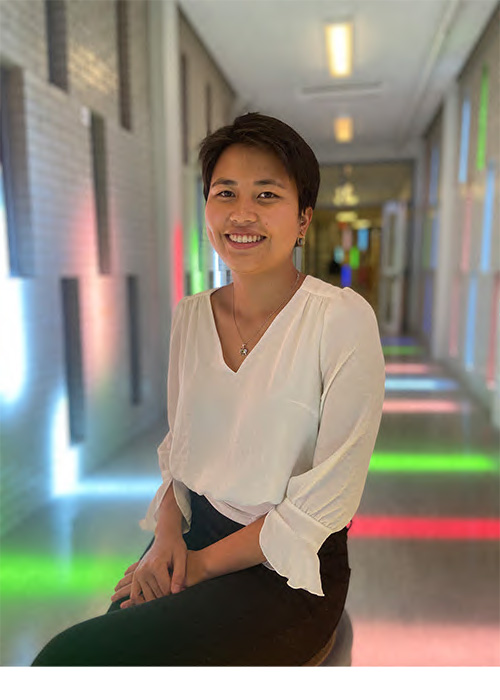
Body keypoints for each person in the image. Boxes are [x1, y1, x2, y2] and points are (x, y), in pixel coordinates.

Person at [32, 112, 385, 666]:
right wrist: (168, 535)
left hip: (287, 568)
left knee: (70, 660)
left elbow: (325, 503)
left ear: (302, 219)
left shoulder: (340, 319)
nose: (242, 214)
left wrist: (198, 567)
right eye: (226, 193)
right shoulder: (191, 317)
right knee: (90, 650)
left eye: (267, 195)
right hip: (196, 528)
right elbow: (182, 450)